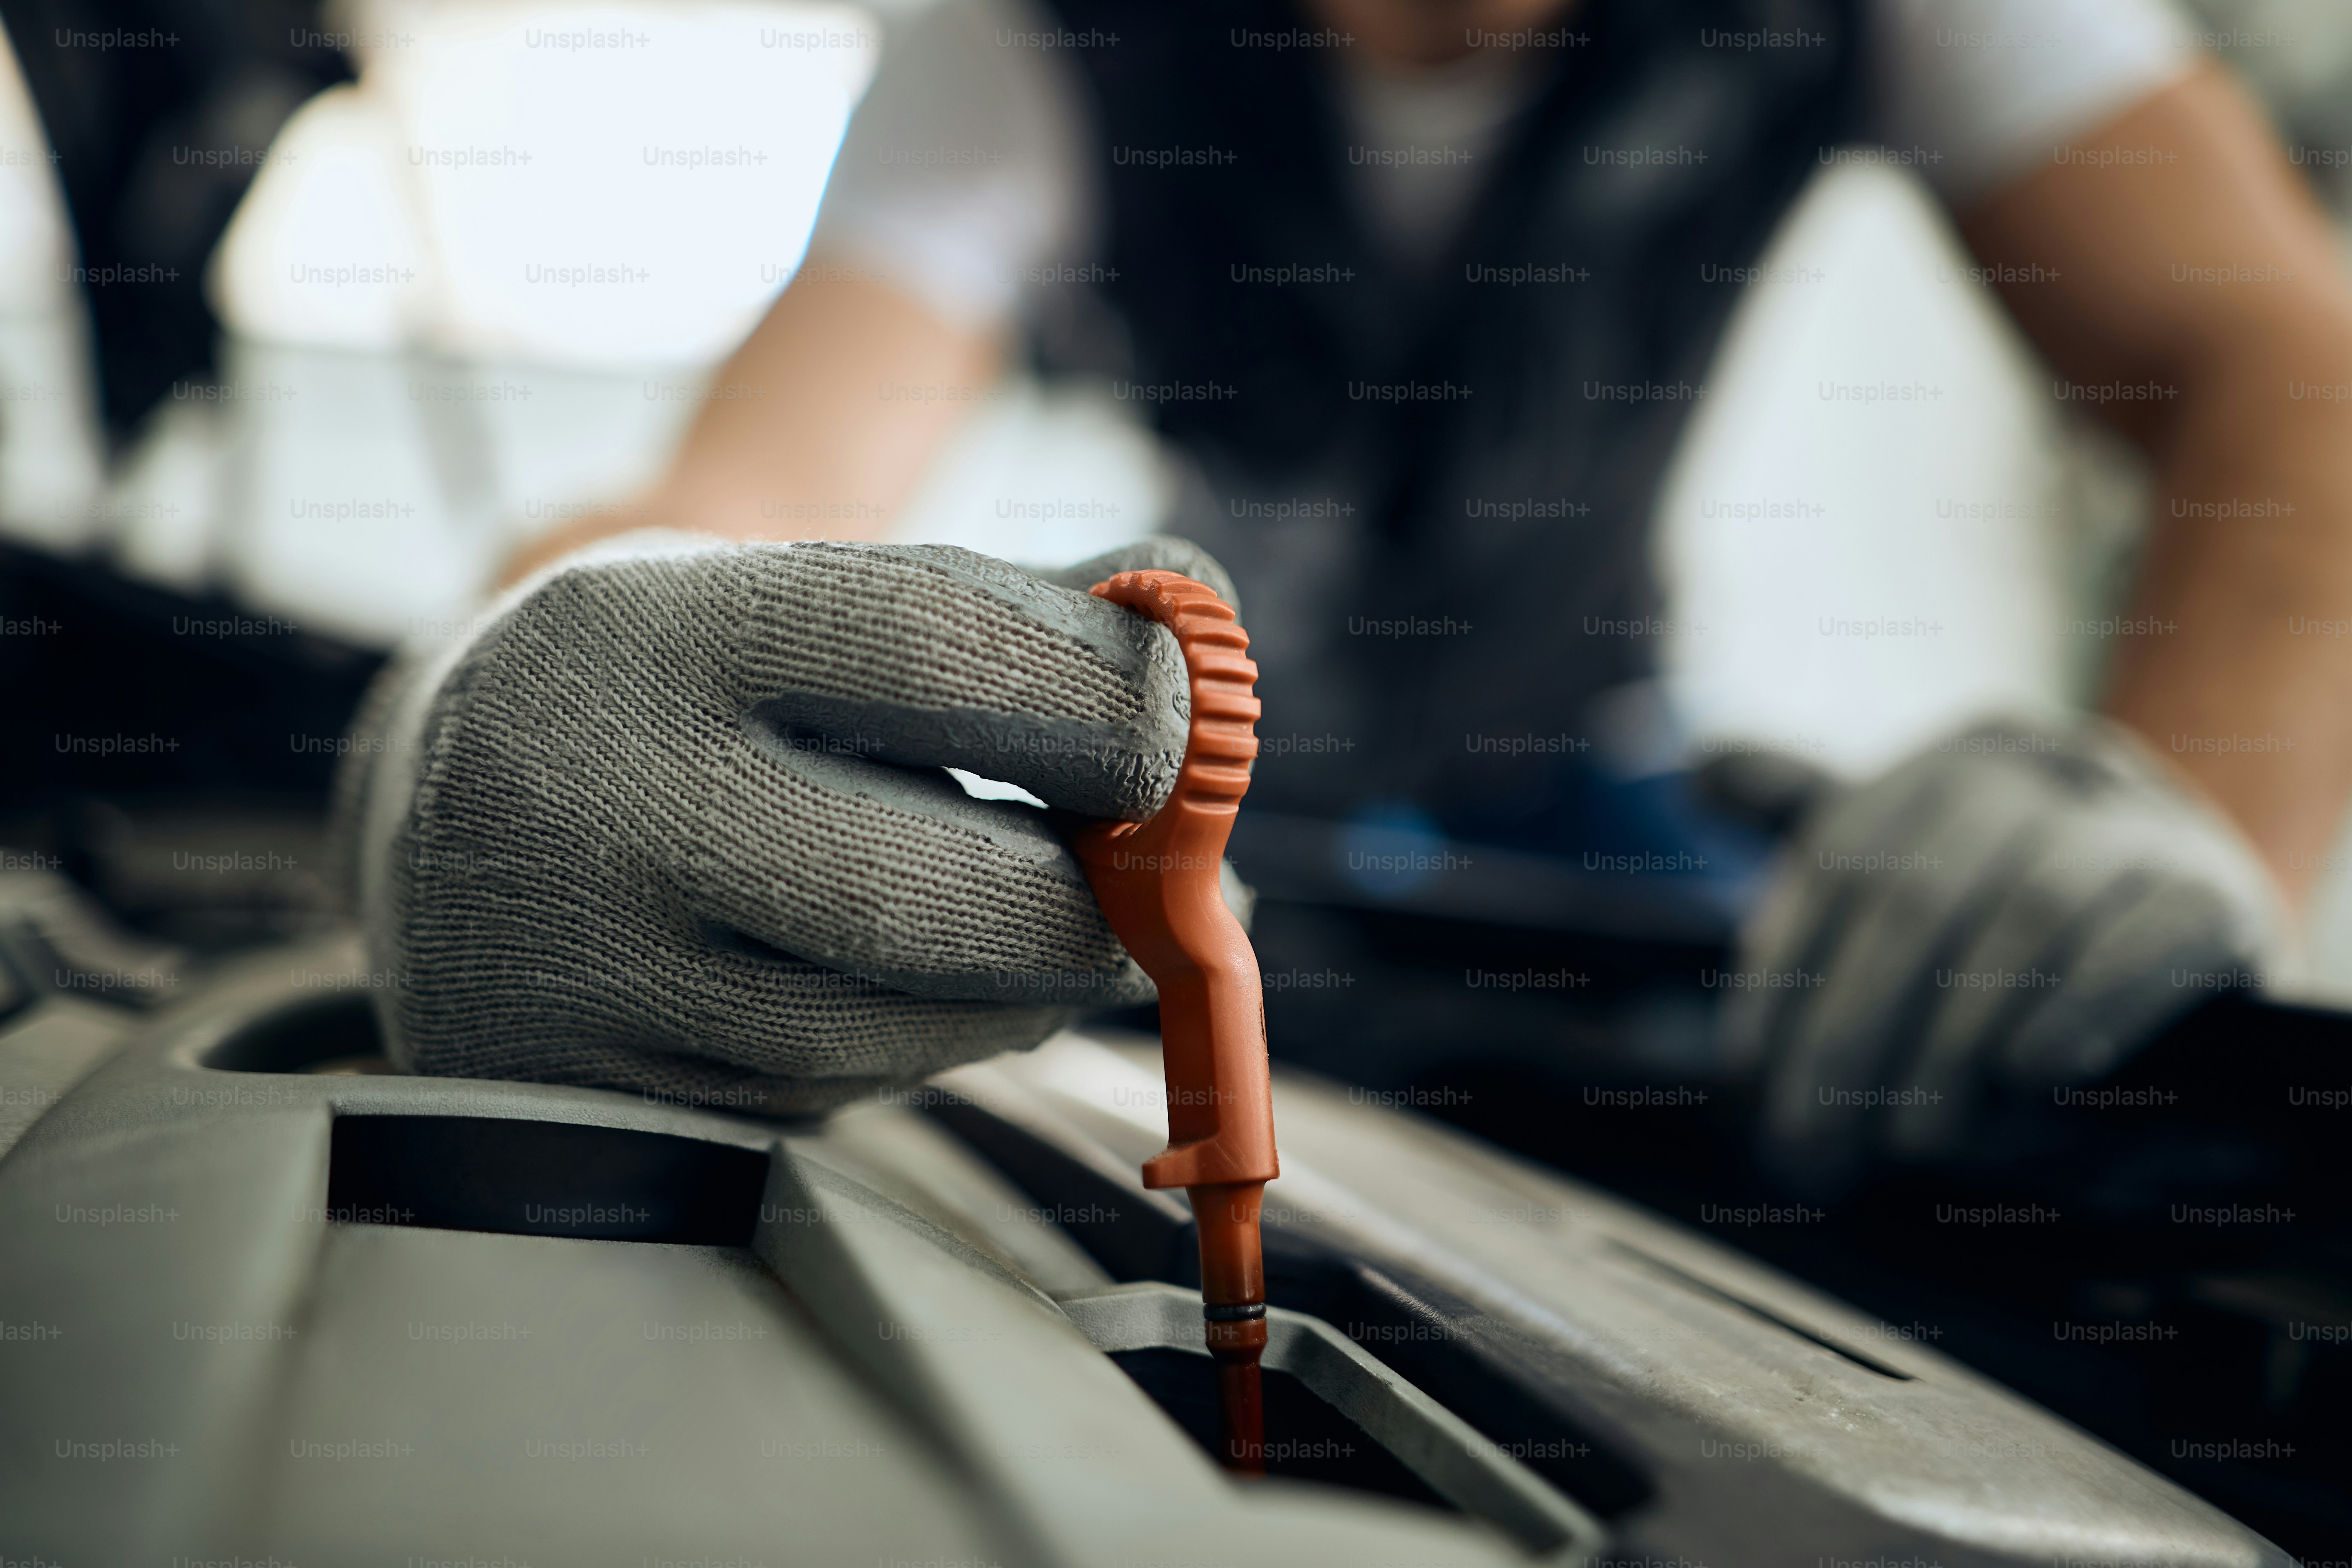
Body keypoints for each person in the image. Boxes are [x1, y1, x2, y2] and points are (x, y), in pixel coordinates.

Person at [339, 0, 2352, 1191]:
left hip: (1595, 807)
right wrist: (486, 719)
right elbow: (744, 496)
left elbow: (2285, 362)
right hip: (1221, 819)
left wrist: (2176, 811)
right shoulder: (1032, 38)